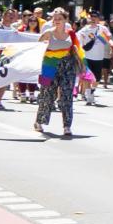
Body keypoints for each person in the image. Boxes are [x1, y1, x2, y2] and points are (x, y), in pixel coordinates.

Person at [34, 8, 82, 139]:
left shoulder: (71, 34)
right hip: (49, 66)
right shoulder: (48, 33)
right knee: (47, 95)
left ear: (66, 20)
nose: (56, 21)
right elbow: (37, 48)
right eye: (55, 19)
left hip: (68, 66)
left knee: (67, 96)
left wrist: (83, 67)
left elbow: (78, 50)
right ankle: (39, 121)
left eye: (60, 19)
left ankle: (67, 125)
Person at [77, 12, 113, 104]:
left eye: (95, 17)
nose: (93, 18)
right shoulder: (84, 30)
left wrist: (112, 44)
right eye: (91, 17)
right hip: (87, 57)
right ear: (89, 18)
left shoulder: (102, 28)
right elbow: (78, 41)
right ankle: (89, 95)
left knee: (97, 78)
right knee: (87, 77)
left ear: (98, 19)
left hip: (99, 57)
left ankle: (92, 91)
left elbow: (108, 39)